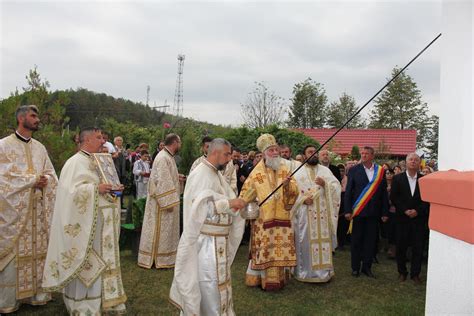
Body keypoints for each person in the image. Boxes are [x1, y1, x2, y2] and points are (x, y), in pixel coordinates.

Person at [43, 127, 126, 314]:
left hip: (101, 225)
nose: (103, 141)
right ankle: (83, 303)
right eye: (98, 138)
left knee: (104, 261)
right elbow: (69, 194)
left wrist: (114, 188)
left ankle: (105, 300)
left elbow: (105, 186)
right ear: (86, 140)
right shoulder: (75, 163)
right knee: (86, 261)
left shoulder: (100, 161)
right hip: (85, 227)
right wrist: (96, 189)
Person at [169, 138, 246, 315]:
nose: (229, 159)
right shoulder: (200, 174)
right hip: (206, 244)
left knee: (220, 286)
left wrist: (237, 205)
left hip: (218, 242)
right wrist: (228, 203)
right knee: (209, 286)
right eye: (226, 154)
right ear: (215, 152)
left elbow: (225, 199)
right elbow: (199, 208)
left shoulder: (216, 173)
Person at [0, 105, 58, 314]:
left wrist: (46, 181)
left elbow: (51, 173)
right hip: (15, 215)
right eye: (33, 116)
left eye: (37, 116)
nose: (37, 120)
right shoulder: (3, 146)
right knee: (14, 255)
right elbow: (3, 179)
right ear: (21, 118)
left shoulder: (40, 148)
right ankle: (9, 300)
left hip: (38, 211)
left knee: (38, 251)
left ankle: (37, 294)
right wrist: (32, 180)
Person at [240, 134, 299, 291]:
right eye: (271, 150)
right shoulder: (255, 173)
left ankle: (280, 278)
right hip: (263, 220)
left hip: (282, 220)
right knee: (265, 249)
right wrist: (247, 203)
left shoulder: (285, 169)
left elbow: (295, 190)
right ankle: (261, 279)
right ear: (265, 153)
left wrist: (287, 186)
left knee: (279, 249)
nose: (275, 153)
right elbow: (246, 193)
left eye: (276, 150)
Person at [291, 145, 341, 283]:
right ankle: (303, 272)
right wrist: (302, 200)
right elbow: (292, 192)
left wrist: (325, 185)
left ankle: (324, 272)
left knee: (322, 243)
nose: (313, 154)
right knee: (305, 242)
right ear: (304, 155)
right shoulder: (297, 172)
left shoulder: (325, 171)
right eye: (310, 152)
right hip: (305, 215)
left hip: (323, 214)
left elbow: (336, 188)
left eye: (315, 152)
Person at [138, 134, 184, 269]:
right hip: (162, 203)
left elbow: (167, 176)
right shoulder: (164, 157)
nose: (180, 145)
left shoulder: (167, 156)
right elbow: (162, 181)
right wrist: (168, 201)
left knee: (168, 230)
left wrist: (177, 176)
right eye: (179, 142)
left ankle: (166, 257)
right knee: (161, 229)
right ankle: (159, 258)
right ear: (175, 142)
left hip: (163, 201)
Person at [344, 146, 389, 278]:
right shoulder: (353, 170)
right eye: (362, 153)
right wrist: (347, 210)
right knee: (356, 241)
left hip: (374, 213)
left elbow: (383, 194)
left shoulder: (380, 171)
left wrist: (385, 212)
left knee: (370, 242)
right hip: (358, 212)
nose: (363, 155)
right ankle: (355, 267)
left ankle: (367, 267)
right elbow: (348, 192)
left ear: (372, 155)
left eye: (366, 153)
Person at [390, 153, 429, 285]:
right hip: (402, 218)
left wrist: (417, 211)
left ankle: (415, 274)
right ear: (406, 163)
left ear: (419, 163)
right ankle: (402, 272)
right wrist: (405, 210)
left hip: (418, 220)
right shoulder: (397, 179)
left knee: (418, 248)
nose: (413, 162)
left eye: (416, 160)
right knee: (401, 247)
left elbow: (426, 200)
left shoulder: (424, 180)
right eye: (410, 160)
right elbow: (394, 198)